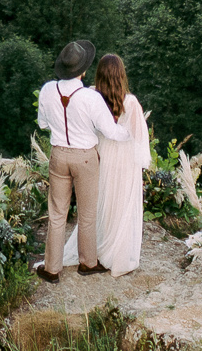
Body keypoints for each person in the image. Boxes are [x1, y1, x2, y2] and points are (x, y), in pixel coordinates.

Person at [36, 38, 123, 282]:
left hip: (58, 154)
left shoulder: (47, 90)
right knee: (87, 213)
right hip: (85, 158)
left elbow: (43, 124)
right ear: (83, 71)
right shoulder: (91, 97)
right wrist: (130, 134)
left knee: (57, 213)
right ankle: (88, 262)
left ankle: (52, 269)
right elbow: (110, 131)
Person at [60, 52, 151, 275]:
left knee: (100, 203)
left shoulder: (91, 95)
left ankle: (96, 249)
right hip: (125, 159)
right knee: (121, 205)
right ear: (121, 75)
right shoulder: (131, 102)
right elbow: (139, 137)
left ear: (99, 74)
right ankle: (117, 254)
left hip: (100, 155)